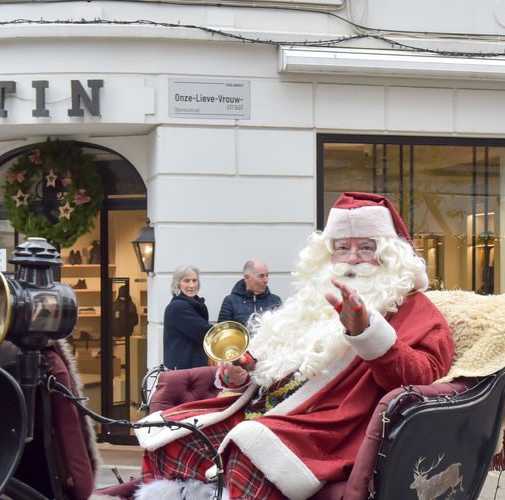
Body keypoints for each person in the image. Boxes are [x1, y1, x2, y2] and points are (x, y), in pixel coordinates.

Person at [134, 192, 455, 500]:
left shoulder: (416, 310)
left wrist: (367, 331)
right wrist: (240, 374)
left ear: (390, 254)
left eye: (366, 247)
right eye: (342, 247)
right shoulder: (313, 300)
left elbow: (421, 375)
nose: (353, 258)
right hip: (265, 408)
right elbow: (269, 359)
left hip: (328, 427)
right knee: (170, 434)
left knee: (252, 446)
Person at [163, 265, 212, 369]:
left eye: (194, 281)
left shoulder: (194, 304)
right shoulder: (178, 307)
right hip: (184, 372)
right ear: (178, 284)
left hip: (191, 369)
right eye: (186, 281)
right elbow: (205, 332)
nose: (191, 285)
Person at [218, 259, 282, 326]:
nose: (266, 280)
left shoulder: (275, 301)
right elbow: (222, 332)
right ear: (247, 277)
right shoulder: (230, 301)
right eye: (261, 276)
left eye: (267, 276)